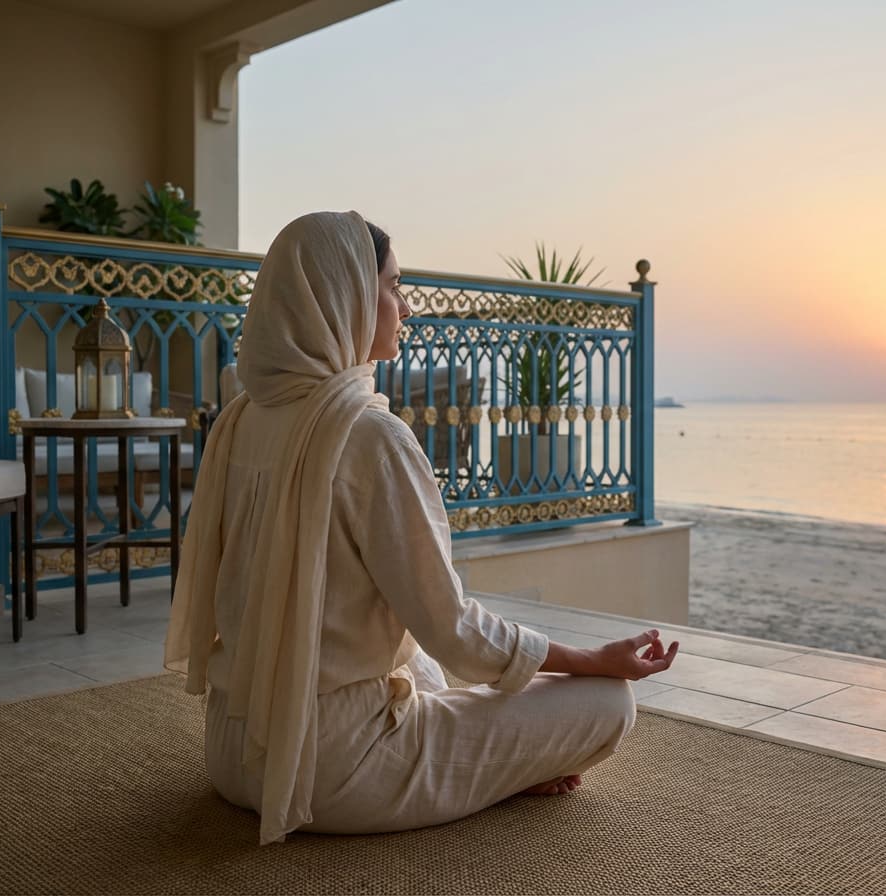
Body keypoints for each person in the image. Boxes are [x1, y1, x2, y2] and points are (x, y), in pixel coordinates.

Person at [165, 211, 679, 845]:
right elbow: (454, 629)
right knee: (607, 704)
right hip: (329, 772)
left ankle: (495, 760)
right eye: (393, 286)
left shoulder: (240, 419)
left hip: (233, 751)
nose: (404, 307)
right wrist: (594, 661)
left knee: (424, 672)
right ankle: (505, 770)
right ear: (347, 297)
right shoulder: (367, 434)